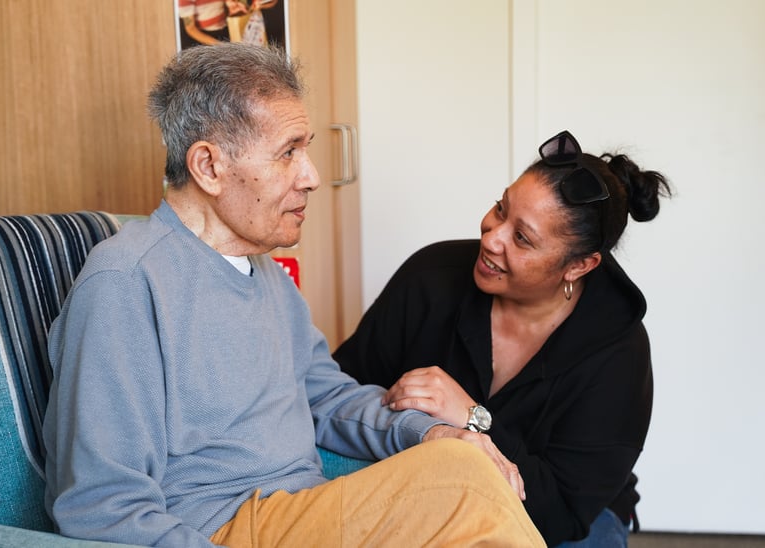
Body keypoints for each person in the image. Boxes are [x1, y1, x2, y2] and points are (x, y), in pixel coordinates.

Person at [42, 43, 545, 547]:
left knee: (460, 461)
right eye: (288, 153)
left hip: (306, 510)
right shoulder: (127, 283)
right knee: (462, 482)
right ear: (209, 167)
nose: (312, 177)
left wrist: (429, 431)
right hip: (223, 528)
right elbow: (101, 504)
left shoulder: (266, 274)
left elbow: (326, 398)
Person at [334, 130, 671, 547]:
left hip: (564, 518)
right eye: (500, 208)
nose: (491, 237)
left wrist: (473, 418)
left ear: (579, 266)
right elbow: (341, 393)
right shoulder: (430, 277)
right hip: (427, 481)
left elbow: (561, 512)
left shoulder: (618, 351)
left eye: (522, 238)